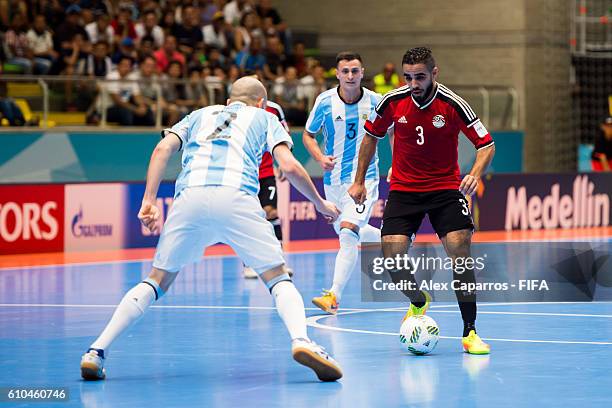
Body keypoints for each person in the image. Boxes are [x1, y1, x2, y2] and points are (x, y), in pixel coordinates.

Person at [80, 76, 343, 382]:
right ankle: (302, 340)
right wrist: (321, 203)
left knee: (157, 280)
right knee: (277, 276)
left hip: (190, 197)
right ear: (261, 102)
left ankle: (96, 351)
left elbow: (161, 150)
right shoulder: (265, 117)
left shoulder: (198, 115)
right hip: (237, 197)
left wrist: (149, 200)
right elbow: (289, 166)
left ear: (229, 101)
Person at [348, 47, 495, 355]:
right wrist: (359, 180)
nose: (414, 83)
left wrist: (475, 173)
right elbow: (370, 137)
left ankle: (470, 332)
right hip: (404, 191)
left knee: (460, 252)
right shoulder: (392, 102)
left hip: (444, 190)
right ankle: (418, 300)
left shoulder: (453, 104)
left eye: (420, 77)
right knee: (392, 258)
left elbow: (486, 144)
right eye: (409, 77)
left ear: (434, 74)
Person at [303, 51, 387, 314]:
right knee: (347, 233)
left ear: (362, 73)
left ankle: (333, 296)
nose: (350, 76)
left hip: (365, 180)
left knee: (349, 232)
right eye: (345, 71)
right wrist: (319, 157)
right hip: (333, 181)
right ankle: (393, 240)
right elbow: (308, 135)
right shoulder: (325, 101)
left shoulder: (375, 101)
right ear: (337, 74)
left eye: (355, 71)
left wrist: (398, 164)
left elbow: (394, 131)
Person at [243, 98, 293, 278]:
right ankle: (248, 265)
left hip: (266, 172)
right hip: (244, 173)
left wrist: (282, 163)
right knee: (247, 216)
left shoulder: (274, 109)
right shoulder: (236, 109)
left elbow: (283, 135)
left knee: (271, 212)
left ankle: (280, 262)